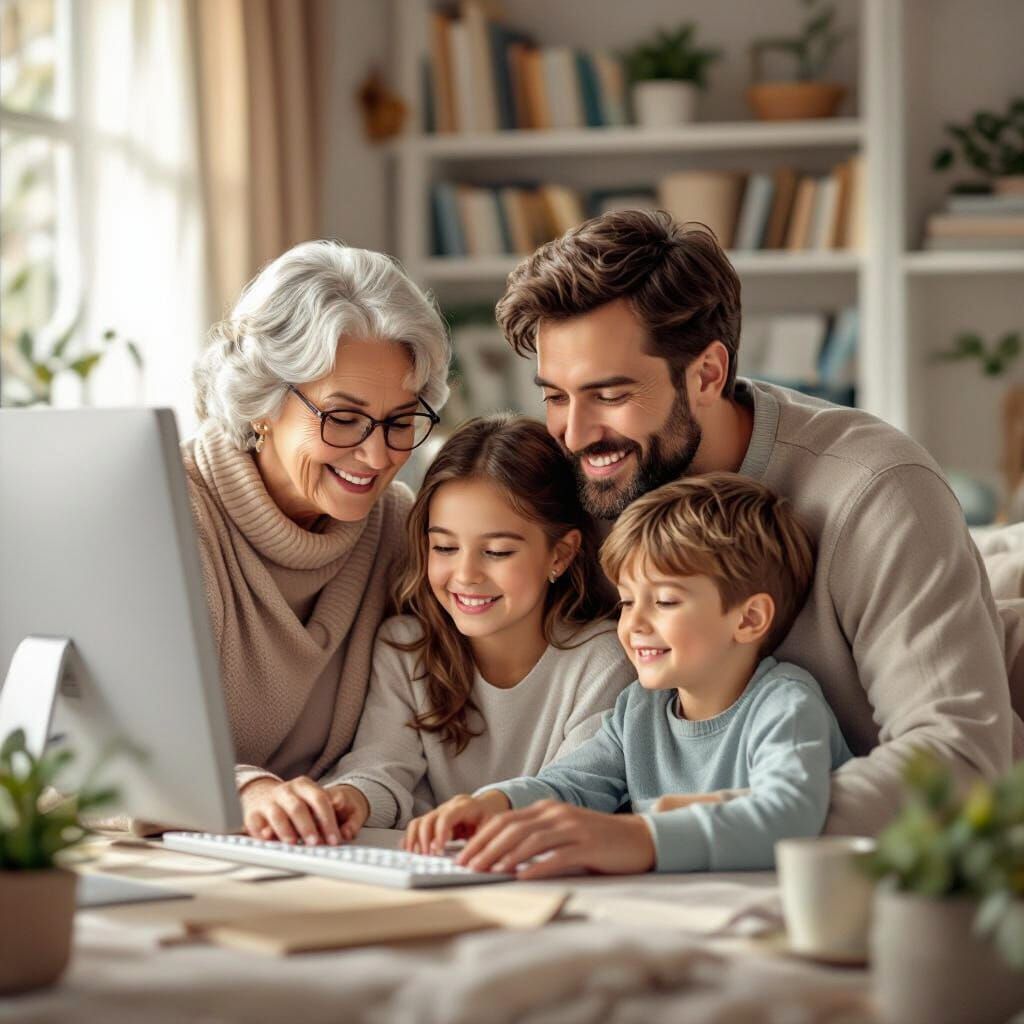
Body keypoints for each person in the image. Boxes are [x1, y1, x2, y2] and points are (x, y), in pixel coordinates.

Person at [494, 209, 1023, 836]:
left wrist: (686, 829)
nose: (575, 434)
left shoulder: (874, 487)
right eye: (555, 396)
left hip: (889, 866)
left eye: (609, 395)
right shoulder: (587, 482)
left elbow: (959, 761)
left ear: (708, 375)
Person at [419, 473, 851, 877]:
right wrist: (495, 803)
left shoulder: (785, 704)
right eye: (627, 602)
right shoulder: (639, 709)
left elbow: (789, 815)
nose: (634, 624)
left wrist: (642, 838)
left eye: (664, 602)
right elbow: (571, 784)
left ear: (749, 618)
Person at [187, 240, 450, 846]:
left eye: (401, 420)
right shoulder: (174, 515)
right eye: (343, 417)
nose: (378, 455)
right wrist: (248, 793)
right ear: (262, 404)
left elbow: (414, 736)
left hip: (324, 854)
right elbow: (86, 752)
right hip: (174, 852)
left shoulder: (400, 532)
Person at [312, 416, 633, 847]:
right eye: (444, 547)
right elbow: (382, 764)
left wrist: (493, 809)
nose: (465, 574)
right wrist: (349, 800)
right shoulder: (406, 647)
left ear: (560, 553)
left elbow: (578, 787)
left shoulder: (601, 659)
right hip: (422, 868)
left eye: (497, 551)